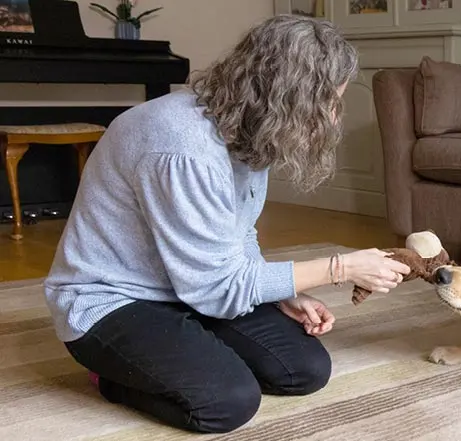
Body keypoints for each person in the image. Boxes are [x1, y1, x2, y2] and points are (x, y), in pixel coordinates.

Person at [43, 15, 410, 434]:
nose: (331, 119)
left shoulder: (250, 128)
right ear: (287, 98)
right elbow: (218, 289)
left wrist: (279, 296)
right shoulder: (184, 149)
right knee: (228, 401)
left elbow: (237, 234)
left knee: (304, 370)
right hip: (111, 299)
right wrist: (339, 268)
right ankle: (111, 379)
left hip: (188, 286)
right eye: (327, 103)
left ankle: (184, 346)